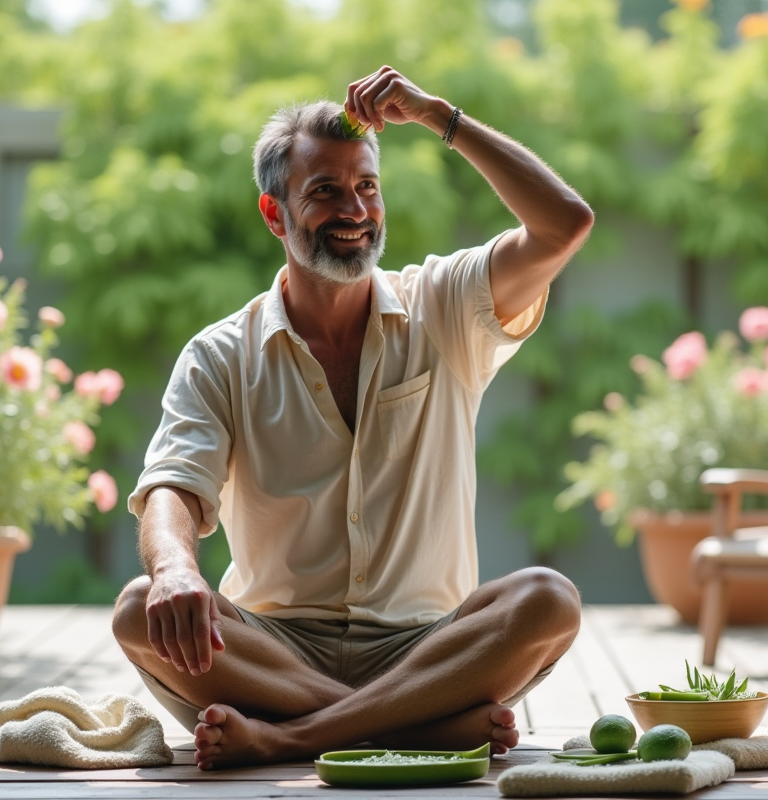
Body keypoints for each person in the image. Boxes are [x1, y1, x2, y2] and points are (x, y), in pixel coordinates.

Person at [112, 66, 594, 769]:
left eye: (367, 186)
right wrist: (176, 569)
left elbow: (564, 224)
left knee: (548, 599)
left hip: (429, 648)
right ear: (275, 214)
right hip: (274, 655)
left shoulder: (444, 305)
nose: (355, 209)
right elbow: (171, 486)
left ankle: (296, 736)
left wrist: (438, 116)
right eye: (325, 191)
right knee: (139, 606)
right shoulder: (220, 353)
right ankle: (413, 727)